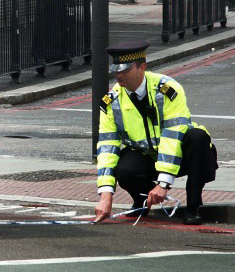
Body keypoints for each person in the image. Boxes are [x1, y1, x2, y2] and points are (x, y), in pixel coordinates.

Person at [93, 41, 218, 225]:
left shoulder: (167, 90)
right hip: (148, 157)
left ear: (142, 67)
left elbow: (173, 136)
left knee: (198, 138)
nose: (119, 75)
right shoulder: (111, 101)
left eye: (125, 70)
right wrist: (105, 194)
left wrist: (163, 184)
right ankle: (142, 200)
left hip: (180, 156)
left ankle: (193, 206)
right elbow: (107, 147)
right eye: (116, 70)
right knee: (125, 168)